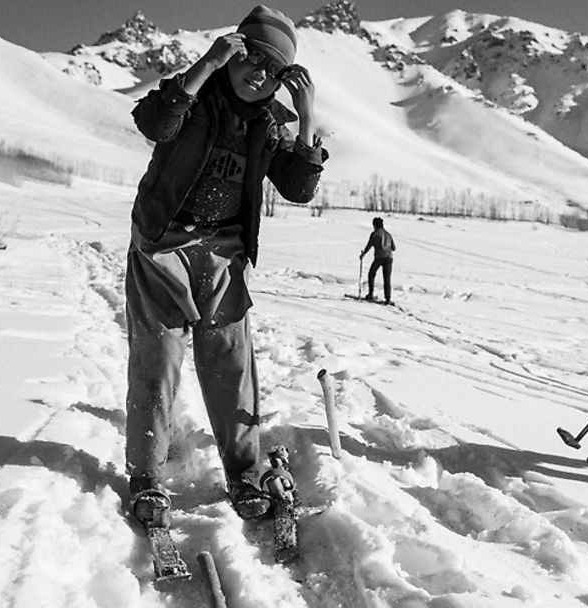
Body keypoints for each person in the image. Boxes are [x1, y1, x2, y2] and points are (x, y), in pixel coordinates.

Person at [123, 5, 328, 527]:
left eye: (272, 69)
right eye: (249, 57)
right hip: (162, 242)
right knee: (159, 359)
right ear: (232, 52)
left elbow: (298, 188)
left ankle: (241, 470)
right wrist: (205, 66)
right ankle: (147, 477)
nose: (257, 72)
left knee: (231, 363)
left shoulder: (270, 124)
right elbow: (155, 121)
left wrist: (306, 119)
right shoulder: (195, 99)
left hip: (224, 251)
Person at [360, 217, 396, 304]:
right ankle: (388, 298)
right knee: (387, 278)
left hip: (379, 258)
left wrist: (363, 254)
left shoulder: (374, 234)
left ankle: (370, 294)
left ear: (375, 225)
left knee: (371, 274)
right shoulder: (388, 234)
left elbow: (369, 245)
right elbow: (394, 248)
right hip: (389, 258)